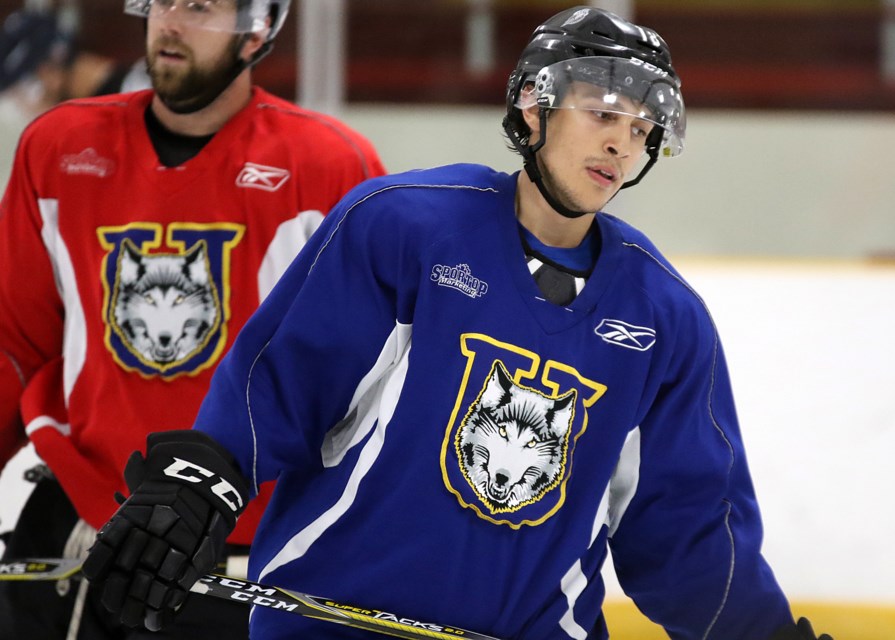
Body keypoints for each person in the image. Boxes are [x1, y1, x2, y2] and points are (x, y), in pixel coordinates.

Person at [82, 6, 830, 640]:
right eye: (603, 113)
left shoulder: (665, 319)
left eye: (640, 129)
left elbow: (688, 533)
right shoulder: (404, 227)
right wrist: (197, 482)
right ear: (534, 109)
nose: (621, 143)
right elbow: (280, 386)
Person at [0, 0, 384, 637]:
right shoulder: (58, 147)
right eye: (161, 2)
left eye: (200, 6)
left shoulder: (331, 167)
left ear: (257, 27)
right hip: (79, 522)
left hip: (242, 546)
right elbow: (15, 343)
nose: (170, 22)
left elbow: (373, 388)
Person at [0, 8, 151, 185]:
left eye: (27, 85)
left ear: (50, 69)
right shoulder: (90, 121)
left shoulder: (144, 95)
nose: (27, 102)